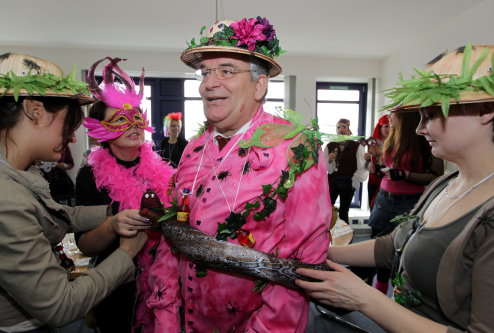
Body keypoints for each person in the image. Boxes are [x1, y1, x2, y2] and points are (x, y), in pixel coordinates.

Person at [296, 44, 494, 333]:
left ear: (485, 111)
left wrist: (366, 299)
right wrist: (316, 252)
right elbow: (392, 246)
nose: (419, 129)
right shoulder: (444, 185)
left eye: (431, 114)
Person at [149, 17, 331, 332]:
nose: (209, 83)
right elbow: (172, 235)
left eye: (227, 71)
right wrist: (166, 319)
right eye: (205, 72)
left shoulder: (296, 150)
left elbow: (301, 268)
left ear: (259, 85)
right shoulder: (193, 148)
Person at [0, 53, 147, 332]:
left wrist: (114, 214)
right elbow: (60, 306)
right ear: (36, 111)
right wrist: (127, 253)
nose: (73, 138)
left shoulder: (21, 173)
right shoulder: (6, 198)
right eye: (69, 123)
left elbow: (59, 214)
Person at [75, 57, 178, 333]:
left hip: (165, 280)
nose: (132, 125)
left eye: (136, 117)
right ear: (100, 130)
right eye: (120, 119)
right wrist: (113, 224)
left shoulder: (164, 169)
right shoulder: (89, 175)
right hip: (118, 288)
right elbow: (85, 245)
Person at [367, 109, 443, 294]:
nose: (389, 117)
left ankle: (396, 292)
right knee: (377, 247)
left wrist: (406, 175)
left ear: (406, 118)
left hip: (408, 203)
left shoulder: (425, 142)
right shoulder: (392, 138)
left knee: (402, 249)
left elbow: (436, 175)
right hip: (383, 200)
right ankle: (377, 289)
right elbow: (389, 167)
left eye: (393, 113)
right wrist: (378, 169)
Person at [324, 118, 368, 223]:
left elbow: (362, 167)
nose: (340, 129)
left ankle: (345, 238)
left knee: (344, 211)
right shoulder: (329, 146)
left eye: (343, 127)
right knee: (327, 209)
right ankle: (325, 236)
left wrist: (355, 181)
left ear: (349, 130)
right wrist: (330, 160)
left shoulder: (357, 146)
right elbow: (326, 169)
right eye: (338, 127)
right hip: (332, 181)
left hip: (349, 182)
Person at [366, 114, 390, 209]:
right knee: (373, 207)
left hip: (389, 180)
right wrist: (367, 163)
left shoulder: (396, 143)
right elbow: (368, 162)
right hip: (374, 179)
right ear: (380, 128)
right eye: (386, 126)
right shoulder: (373, 143)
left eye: (390, 126)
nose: (388, 129)